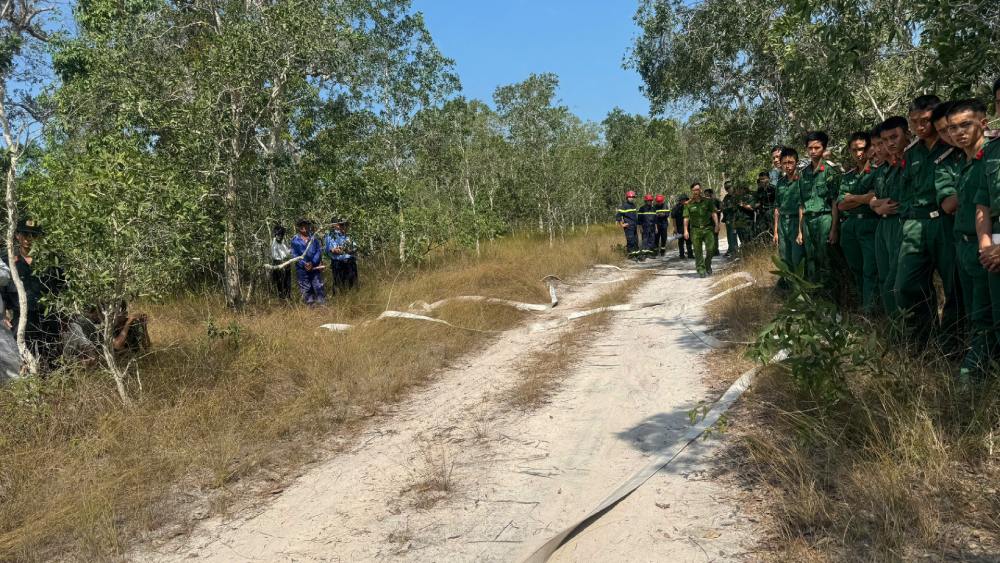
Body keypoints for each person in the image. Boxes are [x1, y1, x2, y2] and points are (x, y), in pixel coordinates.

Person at [894, 94, 961, 345]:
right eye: (914, 122)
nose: (920, 127)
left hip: (946, 222)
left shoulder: (953, 145)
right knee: (907, 285)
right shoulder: (911, 152)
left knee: (954, 286)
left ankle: (952, 344)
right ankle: (922, 340)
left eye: (925, 120)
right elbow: (905, 190)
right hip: (916, 225)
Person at [945, 98, 994, 379]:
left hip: (984, 247)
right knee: (972, 309)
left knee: (983, 313)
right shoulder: (963, 161)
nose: (958, 132)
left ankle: (974, 372)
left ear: (983, 123)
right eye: (953, 128)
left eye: (965, 125)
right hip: (962, 245)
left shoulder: (990, 158)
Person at [1, 219, 61, 367]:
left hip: (48, 319)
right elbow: (1, 291)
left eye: (33, 235)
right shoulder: (7, 260)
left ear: (39, 237)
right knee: (20, 362)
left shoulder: (52, 261)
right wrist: (3, 316)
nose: (28, 239)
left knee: (52, 361)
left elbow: (61, 288)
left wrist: (64, 315)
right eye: (25, 234)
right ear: (17, 235)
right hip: (19, 319)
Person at [870, 116, 911, 318]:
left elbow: (898, 202)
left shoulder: (906, 164)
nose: (879, 148)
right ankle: (893, 324)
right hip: (883, 225)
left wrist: (877, 204)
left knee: (897, 281)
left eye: (882, 143)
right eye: (876, 144)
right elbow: (874, 198)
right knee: (884, 277)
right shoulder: (882, 170)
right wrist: (875, 206)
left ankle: (904, 325)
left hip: (900, 224)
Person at [837, 131, 880, 313]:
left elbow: (874, 197)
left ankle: (871, 309)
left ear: (869, 148)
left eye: (862, 149)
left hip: (870, 224)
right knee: (856, 268)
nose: (859, 153)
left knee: (870, 269)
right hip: (850, 225)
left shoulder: (877, 172)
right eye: (854, 150)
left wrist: (853, 197)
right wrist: (864, 198)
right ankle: (862, 305)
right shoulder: (847, 176)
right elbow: (841, 204)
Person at [799, 131, 841, 291]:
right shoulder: (803, 173)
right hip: (808, 220)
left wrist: (834, 229)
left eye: (817, 148)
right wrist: (800, 230)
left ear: (824, 148)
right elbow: (802, 203)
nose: (813, 151)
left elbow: (835, 201)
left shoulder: (831, 170)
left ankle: (829, 296)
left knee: (826, 258)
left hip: (825, 219)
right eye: (810, 148)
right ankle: (814, 295)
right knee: (810, 258)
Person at [774, 147, 805, 276]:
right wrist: (775, 231)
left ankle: (800, 285)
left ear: (796, 162)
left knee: (797, 257)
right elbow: (777, 208)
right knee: (784, 257)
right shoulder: (780, 183)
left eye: (791, 162)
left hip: (796, 221)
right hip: (782, 224)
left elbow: (802, 206)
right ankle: (788, 284)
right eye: (784, 163)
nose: (788, 166)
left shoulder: (802, 180)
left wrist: (800, 231)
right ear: (781, 164)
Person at [684, 183, 720, 278]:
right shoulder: (688, 204)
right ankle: (701, 269)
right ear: (691, 191)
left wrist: (717, 225)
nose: (696, 192)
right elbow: (686, 218)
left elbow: (714, 213)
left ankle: (707, 264)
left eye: (698, 189)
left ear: (700, 190)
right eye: (694, 190)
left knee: (711, 248)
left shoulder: (708, 201)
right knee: (697, 251)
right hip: (695, 230)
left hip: (708, 228)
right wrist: (685, 230)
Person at [290, 218, 325, 306]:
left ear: (308, 226)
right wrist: (304, 264)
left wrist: (312, 262)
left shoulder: (314, 238)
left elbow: (318, 251)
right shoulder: (294, 240)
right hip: (302, 270)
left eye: (306, 225)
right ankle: (311, 308)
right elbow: (294, 255)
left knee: (318, 287)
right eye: (301, 225)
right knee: (306, 290)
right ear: (298, 227)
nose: (304, 227)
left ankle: (322, 307)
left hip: (315, 267)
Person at [325, 218, 359, 290]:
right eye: (342, 224)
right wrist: (342, 250)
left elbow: (355, 248)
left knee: (353, 284)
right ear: (337, 225)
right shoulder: (330, 235)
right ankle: (340, 296)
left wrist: (347, 250)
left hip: (350, 262)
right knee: (339, 284)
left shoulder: (350, 235)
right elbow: (331, 250)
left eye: (346, 224)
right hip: (338, 263)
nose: (344, 226)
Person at [615, 191, 640, 260]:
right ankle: (631, 255)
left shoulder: (633, 205)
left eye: (633, 197)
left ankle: (637, 255)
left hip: (634, 226)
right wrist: (622, 224)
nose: (631, 198)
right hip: (628, 227)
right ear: (627, 197)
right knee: (630, 241)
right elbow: (618, 216)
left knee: (636, 241)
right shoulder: (624, 206)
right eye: (630, 197)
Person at [754, 171, 777, 241]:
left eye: (764, 179)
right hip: (762, 214)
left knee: (773, 231)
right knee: (763, 233)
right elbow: (758, 201)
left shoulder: (773, 188)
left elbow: (777, 202)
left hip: (771, 214)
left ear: (768, 179)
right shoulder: (759, 190)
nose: (762, 181)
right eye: (760, 179)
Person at [270, 224, 292, 300]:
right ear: (275, 234)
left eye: (282, 234)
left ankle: (288, 298)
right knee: (280, 283)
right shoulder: (274, 243)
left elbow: (286, 252)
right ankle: (282, 299)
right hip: (278, 264)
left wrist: (291, 250)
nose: (280, 236)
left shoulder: (283, 242)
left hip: (286, 263)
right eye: (278, 234)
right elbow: (275, 256)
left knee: (287, 283)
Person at [672, 194, 693, 259]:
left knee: (689, 240)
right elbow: (673, 218)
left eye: (685, 200)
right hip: (679, 226)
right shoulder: (676, 208)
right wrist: (675, 228)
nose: (684, 201)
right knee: (681, 241)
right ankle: (681, 255)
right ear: (680, 200)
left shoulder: (689, 206)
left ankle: (690, 254)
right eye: (682, 200)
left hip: (688, 226)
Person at [637, 194, 658, 260]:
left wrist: (656, 228)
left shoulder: (654, 209)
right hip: (645, 227)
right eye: (648, 201)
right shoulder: (642, 209)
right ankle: (643, 255)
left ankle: (649, 254)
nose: (650, 202)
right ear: (645, 201)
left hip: (652, 227)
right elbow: (639, 220)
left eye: (651, 200)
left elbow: (655, 220)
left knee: (651, 241)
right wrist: (640, 228)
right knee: (645, 241)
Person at [704, 188, 722, 256]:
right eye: (705, 194)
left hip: (715, 222)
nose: (706, 196)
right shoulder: (704, 201)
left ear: (711, 194)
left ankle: (716, 251)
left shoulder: (716, 200)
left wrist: (717, 211)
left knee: (715, 236)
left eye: (707, 194)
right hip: (706, 222)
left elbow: (721, 208)